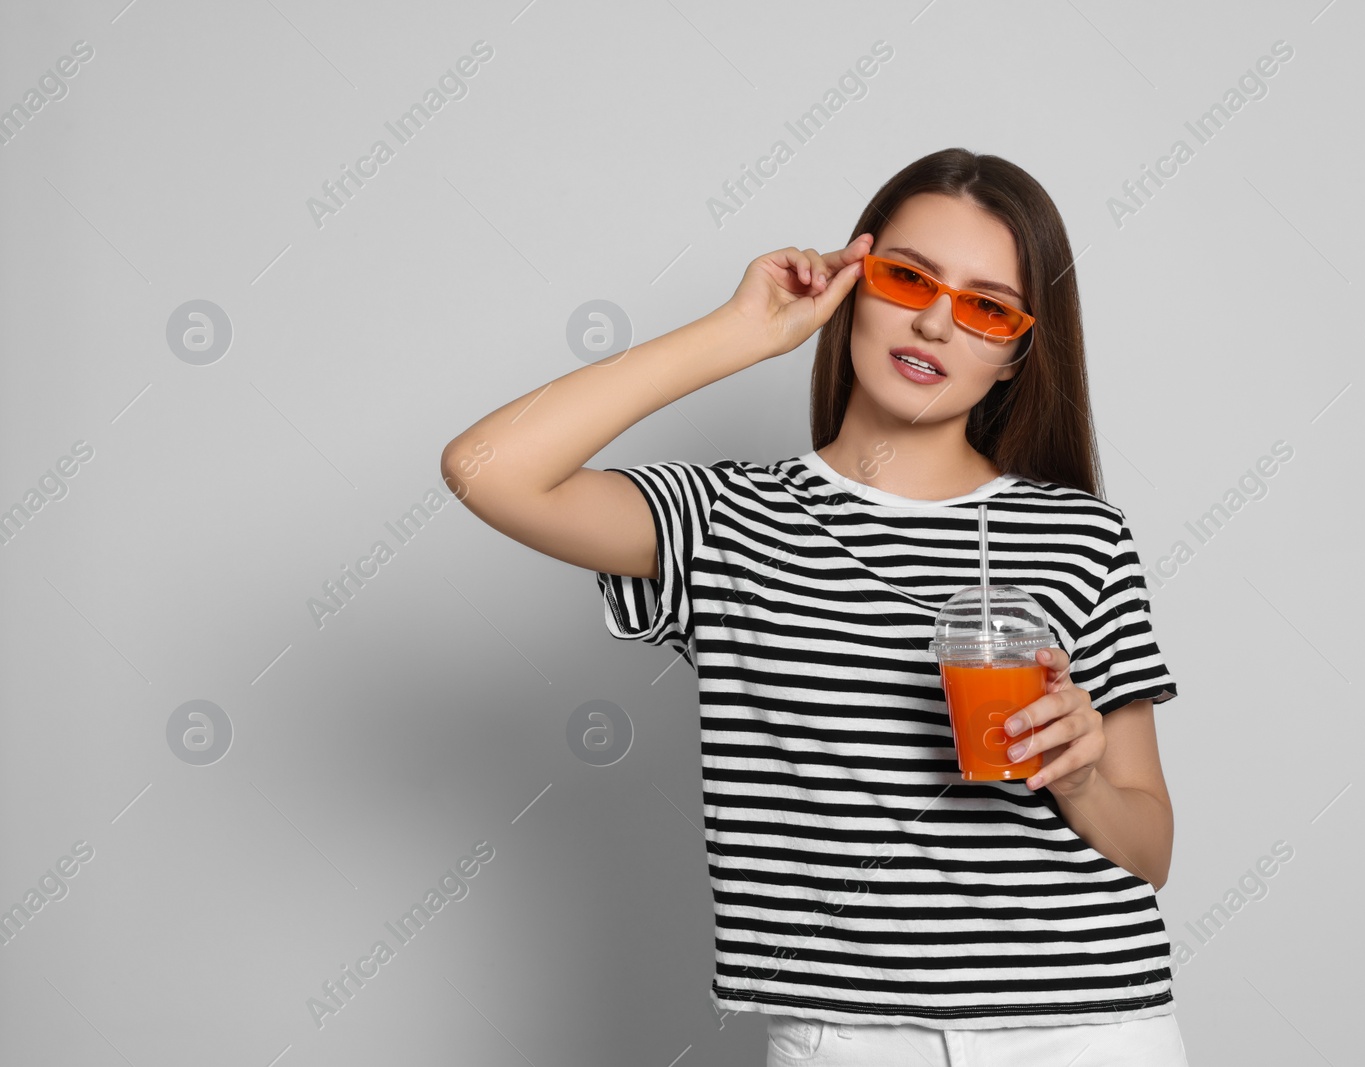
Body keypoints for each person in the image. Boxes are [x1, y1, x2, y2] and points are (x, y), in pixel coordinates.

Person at [441, 147, 1188, 1066]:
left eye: (986, 306)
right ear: (853, 286)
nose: (935, 322)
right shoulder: (730, 521)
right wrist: (739, 333)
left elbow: (1149, 849)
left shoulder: (1083, 535)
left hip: (1089, 1026)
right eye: (907, 277)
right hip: (846, 1036)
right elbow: (484, 468)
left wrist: (1079, 779)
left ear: (1014, 356)